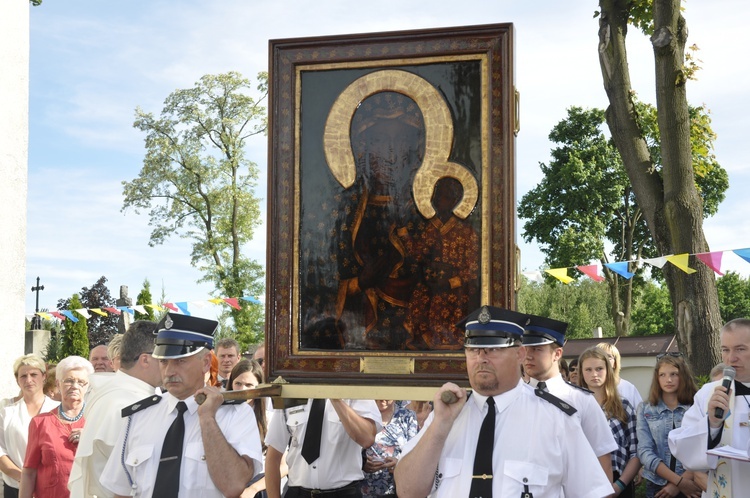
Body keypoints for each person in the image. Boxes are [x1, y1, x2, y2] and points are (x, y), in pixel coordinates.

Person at [394, 305, 613, 497]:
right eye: (474, 350)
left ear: (520, 354)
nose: (482, 358)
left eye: (493, 349)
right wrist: (440, 426)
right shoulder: (444, 417)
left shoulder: (556, 419)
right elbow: (407, 491)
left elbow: (593, 492)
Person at [100, 313, 263, 498]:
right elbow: (121, 491)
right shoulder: (138, 417)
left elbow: (233, 486)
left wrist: (208, 419)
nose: (169, 371)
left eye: (180, 361)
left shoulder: (235, 414)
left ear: (206, 362)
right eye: (163, 362)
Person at [68, 320, 163, 498]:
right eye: (163, 357)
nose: (168, 364)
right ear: (145, 359)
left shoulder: (115, 392)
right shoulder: (126, 403)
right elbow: (132, 478)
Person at [522, 315, 617, 481]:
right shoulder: (514, 398)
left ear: (557, 353)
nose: (528, 356)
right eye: (525, 349)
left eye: (537, 349)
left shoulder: (581, 400)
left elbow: (603, 460)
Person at [669, 318, 750, 497]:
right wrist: (712, 423)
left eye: (740, 349)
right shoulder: (709, 394)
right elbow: (683, 449)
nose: (731, 358)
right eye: (725, 350)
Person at [403, 176, 480, 350]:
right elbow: (417, 254)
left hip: (454, 290)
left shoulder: (466, 232)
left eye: (443, 196)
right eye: (436, 195)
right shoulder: (431, 227)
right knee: (417, 298)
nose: (437, 199)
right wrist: (403, 233)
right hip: (430, 285)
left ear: (454, 201)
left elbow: (473, 268)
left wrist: (449, 283)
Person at [265, 393, 380, 496]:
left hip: (343, 493)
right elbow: (273, 457)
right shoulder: (292, 393)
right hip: (298, 493)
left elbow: (367, 439)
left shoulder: (354, 391)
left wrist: (335, 398)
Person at [19, 356, 94, 498]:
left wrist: (89, 437)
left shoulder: (98, 420)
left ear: (88, 386)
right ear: (58, 384)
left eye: (81, 382)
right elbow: (29, 472)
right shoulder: (40, 422)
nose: (75, 386)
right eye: (69, 381)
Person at [636, 353, 703, 498]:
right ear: (657, 378)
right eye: (663, 375)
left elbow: (703, 449)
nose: (669, 380)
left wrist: (680, 484)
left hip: (692, 484)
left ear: (683, 376)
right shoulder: (645, 408)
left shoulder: (697, 406)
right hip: (657, 486)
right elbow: (644, 451)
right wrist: (678, 482)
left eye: (674, 374)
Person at [579, 346, 641, 497]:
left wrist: (618, 486)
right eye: (588, 369)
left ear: (608, 369)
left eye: (599, 368)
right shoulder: (574, 406)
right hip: (583, 481)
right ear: (581, 372)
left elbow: (636, 451)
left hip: (618, 481)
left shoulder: (623, 406)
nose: (594, 374)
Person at [0, 354, 59, 498]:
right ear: (17, 380)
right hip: (15, 487)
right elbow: (0, 451)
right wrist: (23, 479)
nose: (29, 380)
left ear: (44, 376)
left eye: (34, 374)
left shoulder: (58, 410)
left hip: (51, 488)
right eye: (23, 376)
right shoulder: (7, 412)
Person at [226, 359, 283, 498]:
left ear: (259, 387)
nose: (242, 389)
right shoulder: (220, 416)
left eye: (249, 385)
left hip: (259, 488)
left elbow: (284, 465)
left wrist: (252, 489)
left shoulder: (269, 419)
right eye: (238, 383)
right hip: (226, 485)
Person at [361, 400, 418, 498]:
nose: (382, 399)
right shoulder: (361, 415)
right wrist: (362, 462)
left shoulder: (407, 416)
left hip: (397, 490)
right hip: (364, 489)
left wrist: (399, 463)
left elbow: (416, 453)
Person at [598, 342, 644, 409]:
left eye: (608, 356)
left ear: (615, 363)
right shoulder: (587, 389)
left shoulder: (628, 388)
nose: (605, 360)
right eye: (600, 356)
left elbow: (641, 415)